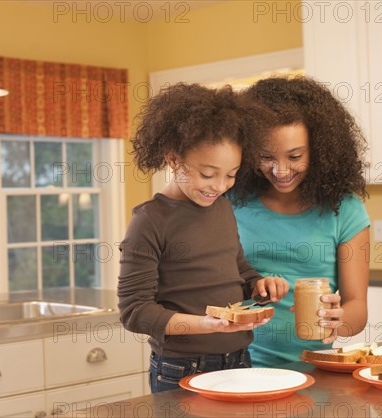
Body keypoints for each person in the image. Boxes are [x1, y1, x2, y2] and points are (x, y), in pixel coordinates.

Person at [117, 83, 289, 392]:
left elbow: (239, 270)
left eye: (231, 175)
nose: (219, 186)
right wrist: (206, 325)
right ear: (173, 159)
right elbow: (135, 312)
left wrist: (259, 286)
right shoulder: (149, 220)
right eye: (207, 174)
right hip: (181, 368)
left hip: (239, 360)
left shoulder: (222, 207)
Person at [230, 76, 371, 368]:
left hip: (315, 367)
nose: (280, 170)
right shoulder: (229, 202)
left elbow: (357, 304)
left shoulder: (345, 210)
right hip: (236, 365)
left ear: (319, 150)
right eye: (266, 156)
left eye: (295, 156)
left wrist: (338, 321)